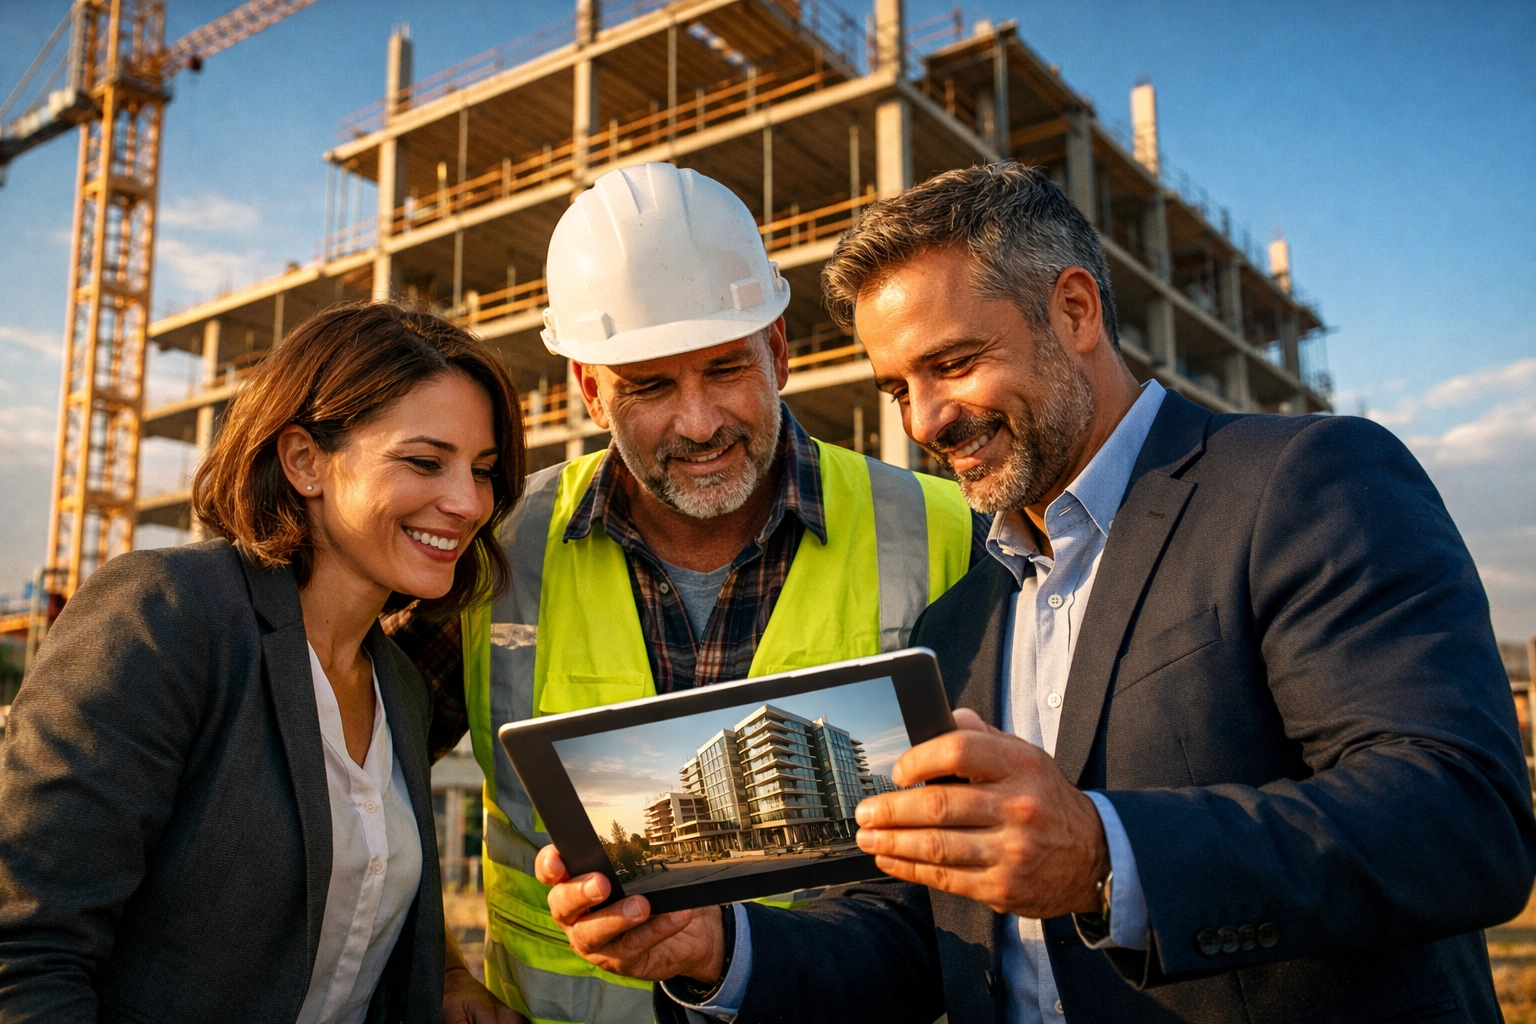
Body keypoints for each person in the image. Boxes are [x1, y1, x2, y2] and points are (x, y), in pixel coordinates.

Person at [535, 163, 1536, 1023]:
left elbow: (1461, 815)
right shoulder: (960, 614)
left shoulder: (1300, 484)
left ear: (1075, 310)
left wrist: (1111, 856)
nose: (927, 419)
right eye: (897, 387)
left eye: (955, 362)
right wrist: (720, 947)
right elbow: (923, 933)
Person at [407, 162, 987, 1024]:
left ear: (779, 351)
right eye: (648, 385)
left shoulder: (946, 534)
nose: (700, 421)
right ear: (590, 389)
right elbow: (359, 774)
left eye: (725, 369)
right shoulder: (497, 542)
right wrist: (440, 970)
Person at [0, 303, 526, 1024]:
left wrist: (451, 977)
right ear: (305, 460)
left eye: (485, 471)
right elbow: (27, 952)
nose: (468, 503)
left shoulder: (399, 686)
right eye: (425, 462)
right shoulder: (167, 614)